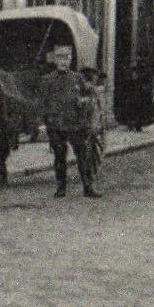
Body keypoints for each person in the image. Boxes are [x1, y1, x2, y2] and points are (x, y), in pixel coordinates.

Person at [40, 44, 101, 198]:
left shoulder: (77, 78)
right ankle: (61, 188)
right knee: (59, 156)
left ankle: (88, 187)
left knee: (82, 156)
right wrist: (46, 122)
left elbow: (89, 95)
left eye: (66, 58)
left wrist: (84, 101)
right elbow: (43, 103)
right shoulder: (47, 80)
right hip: (56, 124)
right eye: (60, 57)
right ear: (54, 59)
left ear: (71, 59)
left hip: (75, 124)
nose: (63, 61)